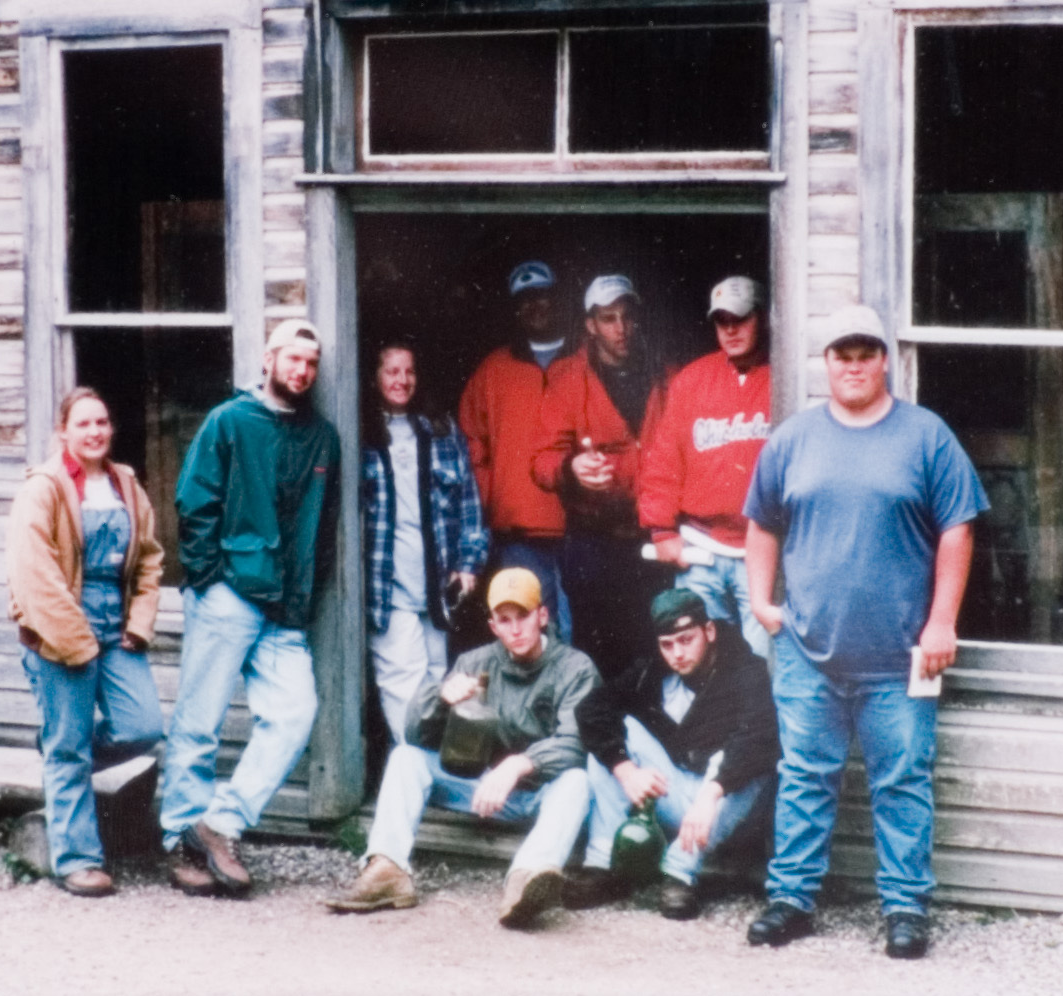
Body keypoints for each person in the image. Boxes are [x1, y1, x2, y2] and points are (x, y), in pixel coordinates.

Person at [742, 303, 988, 960]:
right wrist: (762, 603)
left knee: (902, 779)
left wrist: (942, 621)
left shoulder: (926, 436)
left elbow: (958, 528)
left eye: (864, 354)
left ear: (885, 360)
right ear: (826, 364)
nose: (852, 366)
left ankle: (905, 908)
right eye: (840, 356)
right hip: (807, 653)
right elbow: (762, 523)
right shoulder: (793, 438)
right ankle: (790, 899)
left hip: (902, 658)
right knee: (803, 775)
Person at [160, 318, 342, 899]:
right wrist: (209, 578)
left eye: (311, 363)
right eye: (294, 359)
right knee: (199, 721)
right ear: (269, 360)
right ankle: (177, 844)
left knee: (295, 712)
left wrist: (305, 592)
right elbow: (194, 503)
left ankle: (221, 823)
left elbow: (324, 525)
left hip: (285, 607)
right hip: (230, 593)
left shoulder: (322, 437)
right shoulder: (230, 422)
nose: (303, 372)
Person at [324, 568, 599, 929]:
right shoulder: (475, 662)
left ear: (543, 616)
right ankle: (388, 869)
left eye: (524, 617)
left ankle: (526, 879)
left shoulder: (575, 668)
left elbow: (577, 743)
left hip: (537, 793)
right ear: (493, 626)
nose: (515, 630)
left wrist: (519, 764)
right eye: (505, 620)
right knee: (406, 758)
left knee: (579, 781)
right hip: (477, 787)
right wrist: (439, 700)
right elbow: (415, 736)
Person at [7, 387, 165, 898]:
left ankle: (58, 747)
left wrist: (137, 624)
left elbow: (149, 559)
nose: (95, 432)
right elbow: (35, 574)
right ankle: (77, 860)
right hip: (59, 630)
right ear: (64, 432)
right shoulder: (44, 488)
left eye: (102, 422)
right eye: (83, 424)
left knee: (142, 725)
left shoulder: (125, 485)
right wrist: (76, 641)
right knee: (71, 751)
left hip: (115, 628)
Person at [568, 590, 778, 920]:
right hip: (678, 795)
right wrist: (626, 770)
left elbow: (759, 738)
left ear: (708, 632)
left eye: (686, 640)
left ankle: (680, 875)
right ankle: (603, 865)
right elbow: (592, 709)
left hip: (727, 809)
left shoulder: (745, 669)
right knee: (608, 743)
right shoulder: (652, 671)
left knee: (745, 763)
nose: (677, 654)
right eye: (667, 644)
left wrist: (712, 792)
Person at [533, 274, 666, 679]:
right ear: (590, 325)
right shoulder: (567, 378)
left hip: (650, 536)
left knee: (655, 649)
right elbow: (540, 460)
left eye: (627, 317)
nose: (620, 329)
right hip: (593, 542)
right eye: (608, 319)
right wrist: (572, 469)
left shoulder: (663, 371)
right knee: (596, 654)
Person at [639, 276, 773, 658]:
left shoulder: (787, 376)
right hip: (701, 550)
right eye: (721, 321)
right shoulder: (691, 380)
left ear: (761, 318)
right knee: (699, 662)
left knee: (759, 660)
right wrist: (662, 529)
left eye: (740, 319)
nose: (730, 329)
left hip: (760, 551)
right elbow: (663, 459)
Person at [363, 342, 489, 743]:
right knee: (404, 682)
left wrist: (469, 563)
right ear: (374, 378)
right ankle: (411, 768)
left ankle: (430, 771)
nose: (402, 380)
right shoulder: (360, 431)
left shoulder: (441, 428)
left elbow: (468, 499)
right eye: (392, 371)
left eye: (409, 372)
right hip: (388, 588)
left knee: (438, 676)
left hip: (436, 585)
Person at [459, 260, 574, 640]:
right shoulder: (493, 369)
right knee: (529, 634)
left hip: (582, 526)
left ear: (557, 299)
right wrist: (493, 499)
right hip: (519, 533)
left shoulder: (585, 359)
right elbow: (472, 442)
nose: (535, 306)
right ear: (514, 308)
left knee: (579, 632)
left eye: (542, 296)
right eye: (524, 299)